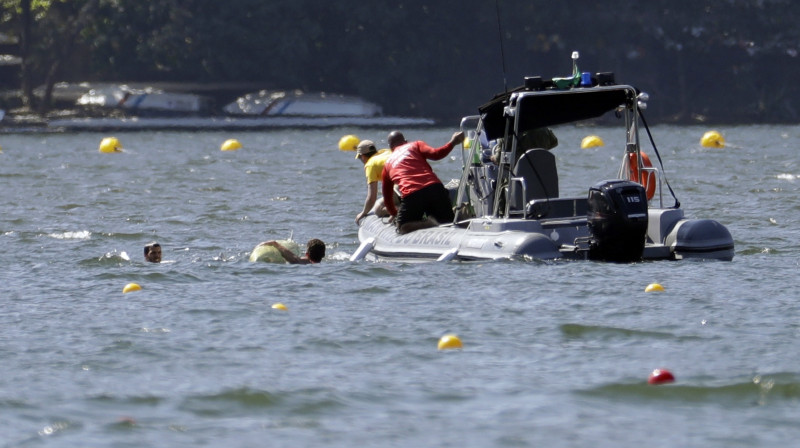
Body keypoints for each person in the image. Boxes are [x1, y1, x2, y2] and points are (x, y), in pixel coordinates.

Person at [381, 130, 465, 234]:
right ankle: (459, 220)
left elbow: (387, 196)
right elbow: (436, 154)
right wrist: (452, 142)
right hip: (435, 188)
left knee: (402, 227)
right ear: (406, 141)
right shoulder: (416, 144)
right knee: (449, 224)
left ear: (390, 148)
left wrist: (393, 213)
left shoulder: (387, 165)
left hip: (413, 195)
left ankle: (430, 224)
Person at [354, 139, 392, 225]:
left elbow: (372, 198)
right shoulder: (386, 151)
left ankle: (407, 210)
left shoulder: (370, 164)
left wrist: (363, 213)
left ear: (363, 156)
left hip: (404, 187)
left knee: (378, 209)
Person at [259, 239, 325, 264]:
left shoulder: (301, 262)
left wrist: (275, 244)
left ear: (307, 254)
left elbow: (294, 259)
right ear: (323, 255)